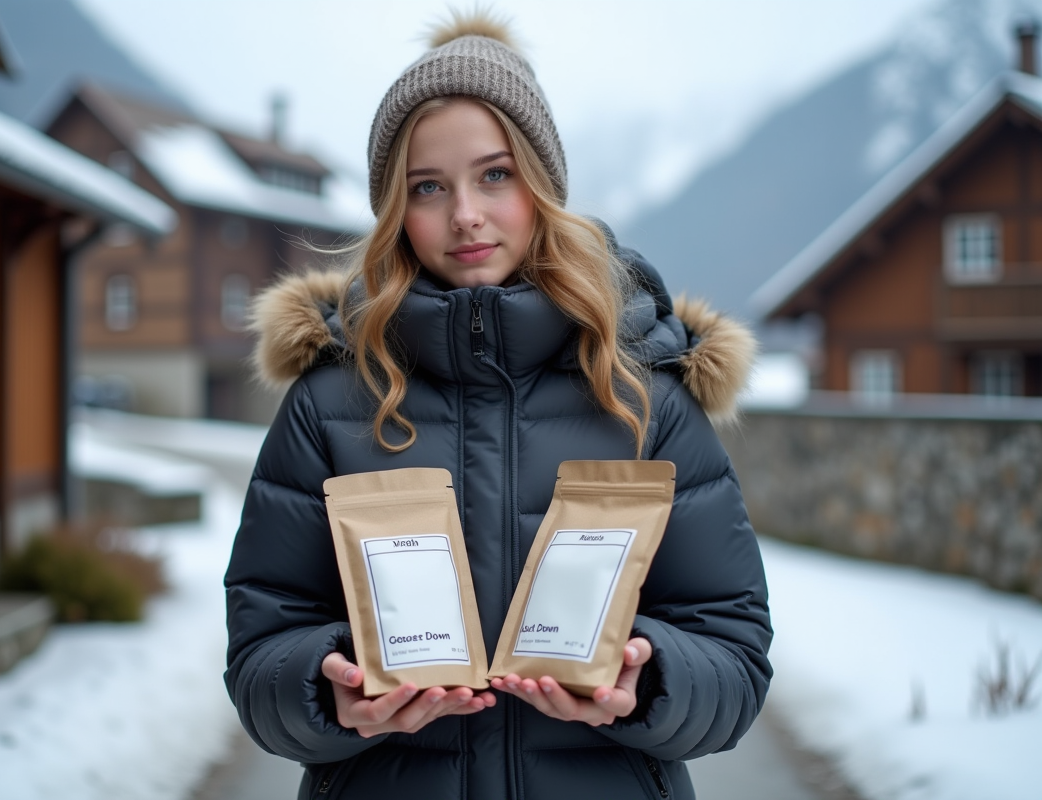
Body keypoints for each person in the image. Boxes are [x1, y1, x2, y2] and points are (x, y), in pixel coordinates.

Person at [224, 12, 772, 799]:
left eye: (495, 174)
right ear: (394, 210)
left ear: (542, 184)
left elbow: (735, 653)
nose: (465, 215)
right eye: (427, 188)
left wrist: (648, 680)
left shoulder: (645, 396)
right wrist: (326, 688)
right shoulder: (329, 403)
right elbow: (259, 654)